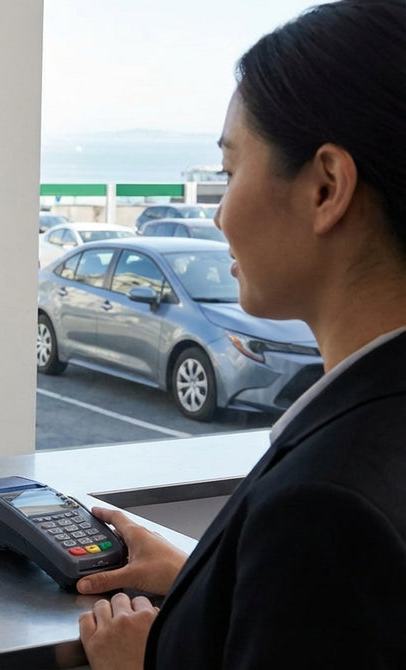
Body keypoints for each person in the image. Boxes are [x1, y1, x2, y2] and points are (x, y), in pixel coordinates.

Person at [75, 1, 406, 667]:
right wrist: (209, 577)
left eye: (229, 172)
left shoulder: (322, 510)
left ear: (326, 187)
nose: (220, 214)